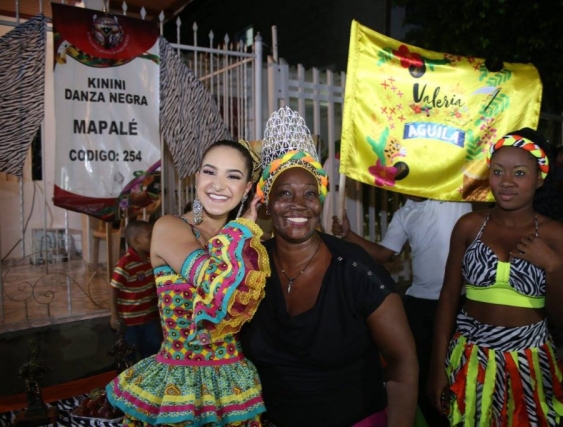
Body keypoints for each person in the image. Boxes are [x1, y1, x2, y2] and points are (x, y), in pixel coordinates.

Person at [240, 106, 418, 427]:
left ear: (320, 201)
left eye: (310, 193)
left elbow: (402, 362)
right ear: (266, 202)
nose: (298, 203)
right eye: (285, 193)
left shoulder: (354, 268)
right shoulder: (250, 266)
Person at [107, 139, 270, 426]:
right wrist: (243, 227)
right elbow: (212, 281)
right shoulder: (170, 227)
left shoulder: (243, 242)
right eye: (210, 172)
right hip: (179, 386)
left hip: (232, 382)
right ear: (197, 178)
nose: (218, 185)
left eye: (232, 176)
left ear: (247, 189)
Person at [428, 128, 563, 426]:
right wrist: (436, 366)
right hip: (470, 357)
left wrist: (554, 267)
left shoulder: (556, 235)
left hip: (529, 361)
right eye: (498, 171)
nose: (507, 181)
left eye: (519, 173)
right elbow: (447, 298)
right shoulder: (470, 226)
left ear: (539, 179)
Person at [331, 196, 471, 427]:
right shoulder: (404, 213)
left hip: (461, 302)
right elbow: (383, 254)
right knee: (423, 375)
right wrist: (349, 234)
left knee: (460, 372)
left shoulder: (453, 197)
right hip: (420, 305)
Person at [109, 220, 162, 362]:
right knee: (129, 352)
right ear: (136, 241)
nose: (154, 239)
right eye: (150, 236)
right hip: (129, 320)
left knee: (153, 348)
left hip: (149, 317)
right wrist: (114, 315)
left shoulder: (151, 259)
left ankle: (148, 378)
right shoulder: (124, 264)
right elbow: (114, 289)